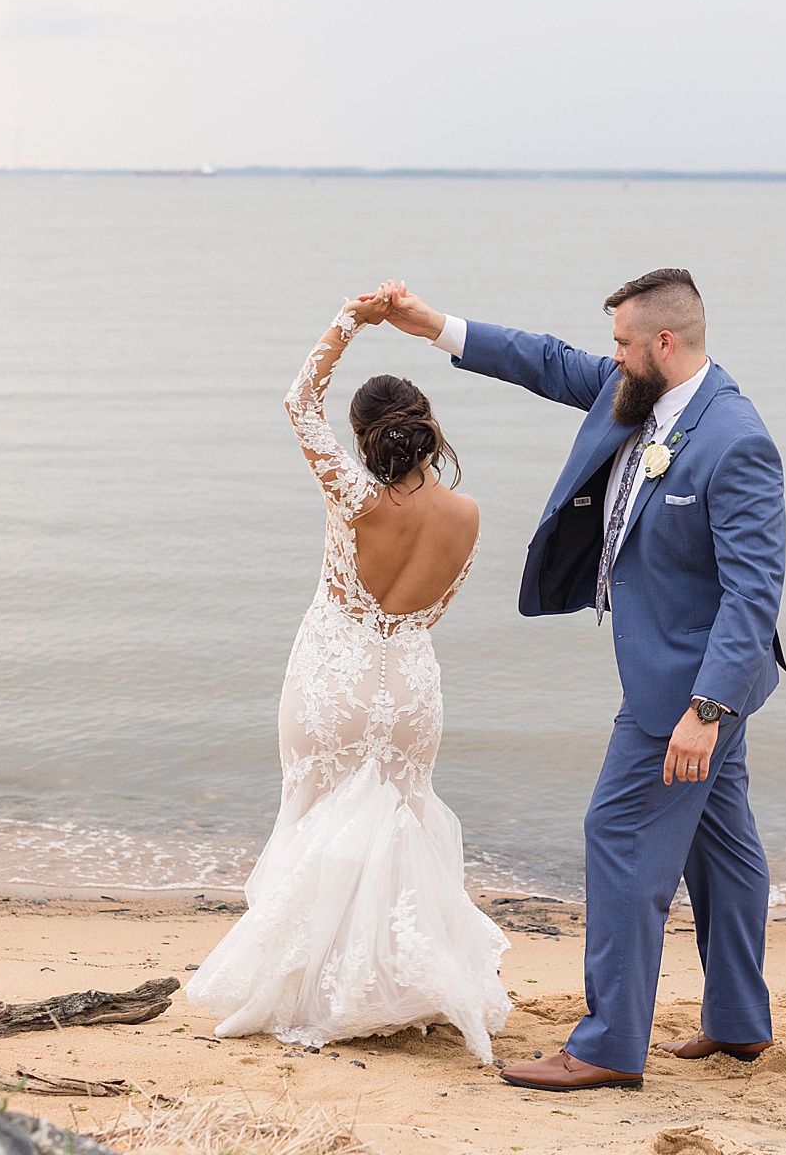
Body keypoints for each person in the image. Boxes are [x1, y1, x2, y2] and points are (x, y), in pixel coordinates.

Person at [376, 270, 786, 1091]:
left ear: (663, 345)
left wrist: (706, 709)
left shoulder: (735, 440)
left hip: (687, 689)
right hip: (685, 677)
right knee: (723, 846)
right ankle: (739, 1022)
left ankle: (604, 1046)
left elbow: (754, 591)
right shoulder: (635, 393)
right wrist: (433, 325)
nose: (610, 358)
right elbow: (545, 360)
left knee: (620, 836)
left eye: (623, 345)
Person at [185, 292, 511, 1062]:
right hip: (410, 680)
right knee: (402, 820)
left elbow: (299, 401)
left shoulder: (354, 496)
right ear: (430, 427)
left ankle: (312, 987)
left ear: (367, 438)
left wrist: (349, 320)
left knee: (317, 814)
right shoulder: (466, 515)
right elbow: (437, 609)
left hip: (334, 670)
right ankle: (400, 983)